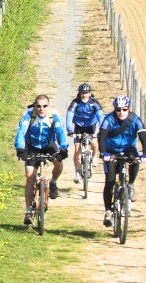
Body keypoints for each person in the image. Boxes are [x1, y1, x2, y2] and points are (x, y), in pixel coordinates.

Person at [15, 94, 69, 225]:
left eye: (44, 106)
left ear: (49, 106)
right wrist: (20, 149)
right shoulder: (29, 114)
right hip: (32, 146)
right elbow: (21, 132)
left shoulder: (54, 116)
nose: (41, 109)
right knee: (29, 177)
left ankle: (54, 182)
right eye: (38, 106)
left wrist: (63, 149)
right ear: (35, 106)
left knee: (59, 164)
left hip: (48, 145)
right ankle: (28, 211)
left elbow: (61, 132)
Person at [99, 95, 146, 227]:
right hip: (111, 150)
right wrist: (103, 153)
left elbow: (143, 137)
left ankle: (130, 184)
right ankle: (108, 211)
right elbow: (102, 136)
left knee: (135, 160)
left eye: (124, 109)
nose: (121, 112)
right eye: (118, 109)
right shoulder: (108, 119)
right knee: (110, 180)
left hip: (128, 148)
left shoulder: (135, 120)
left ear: (129, 109)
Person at [66, 83, 104, 183]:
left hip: (92, 125)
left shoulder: (94, 102)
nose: (84, 95)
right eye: (82, 93)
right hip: (79, 126)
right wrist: (70, 129)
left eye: (86, 93)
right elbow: (69, 114)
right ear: (79, 93)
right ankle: (77, 172)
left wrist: (103, 129)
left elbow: (100, 115)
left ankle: (94, 156)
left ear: (90, 93)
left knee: (94, 141)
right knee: (77, 148)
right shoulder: (75, 102)